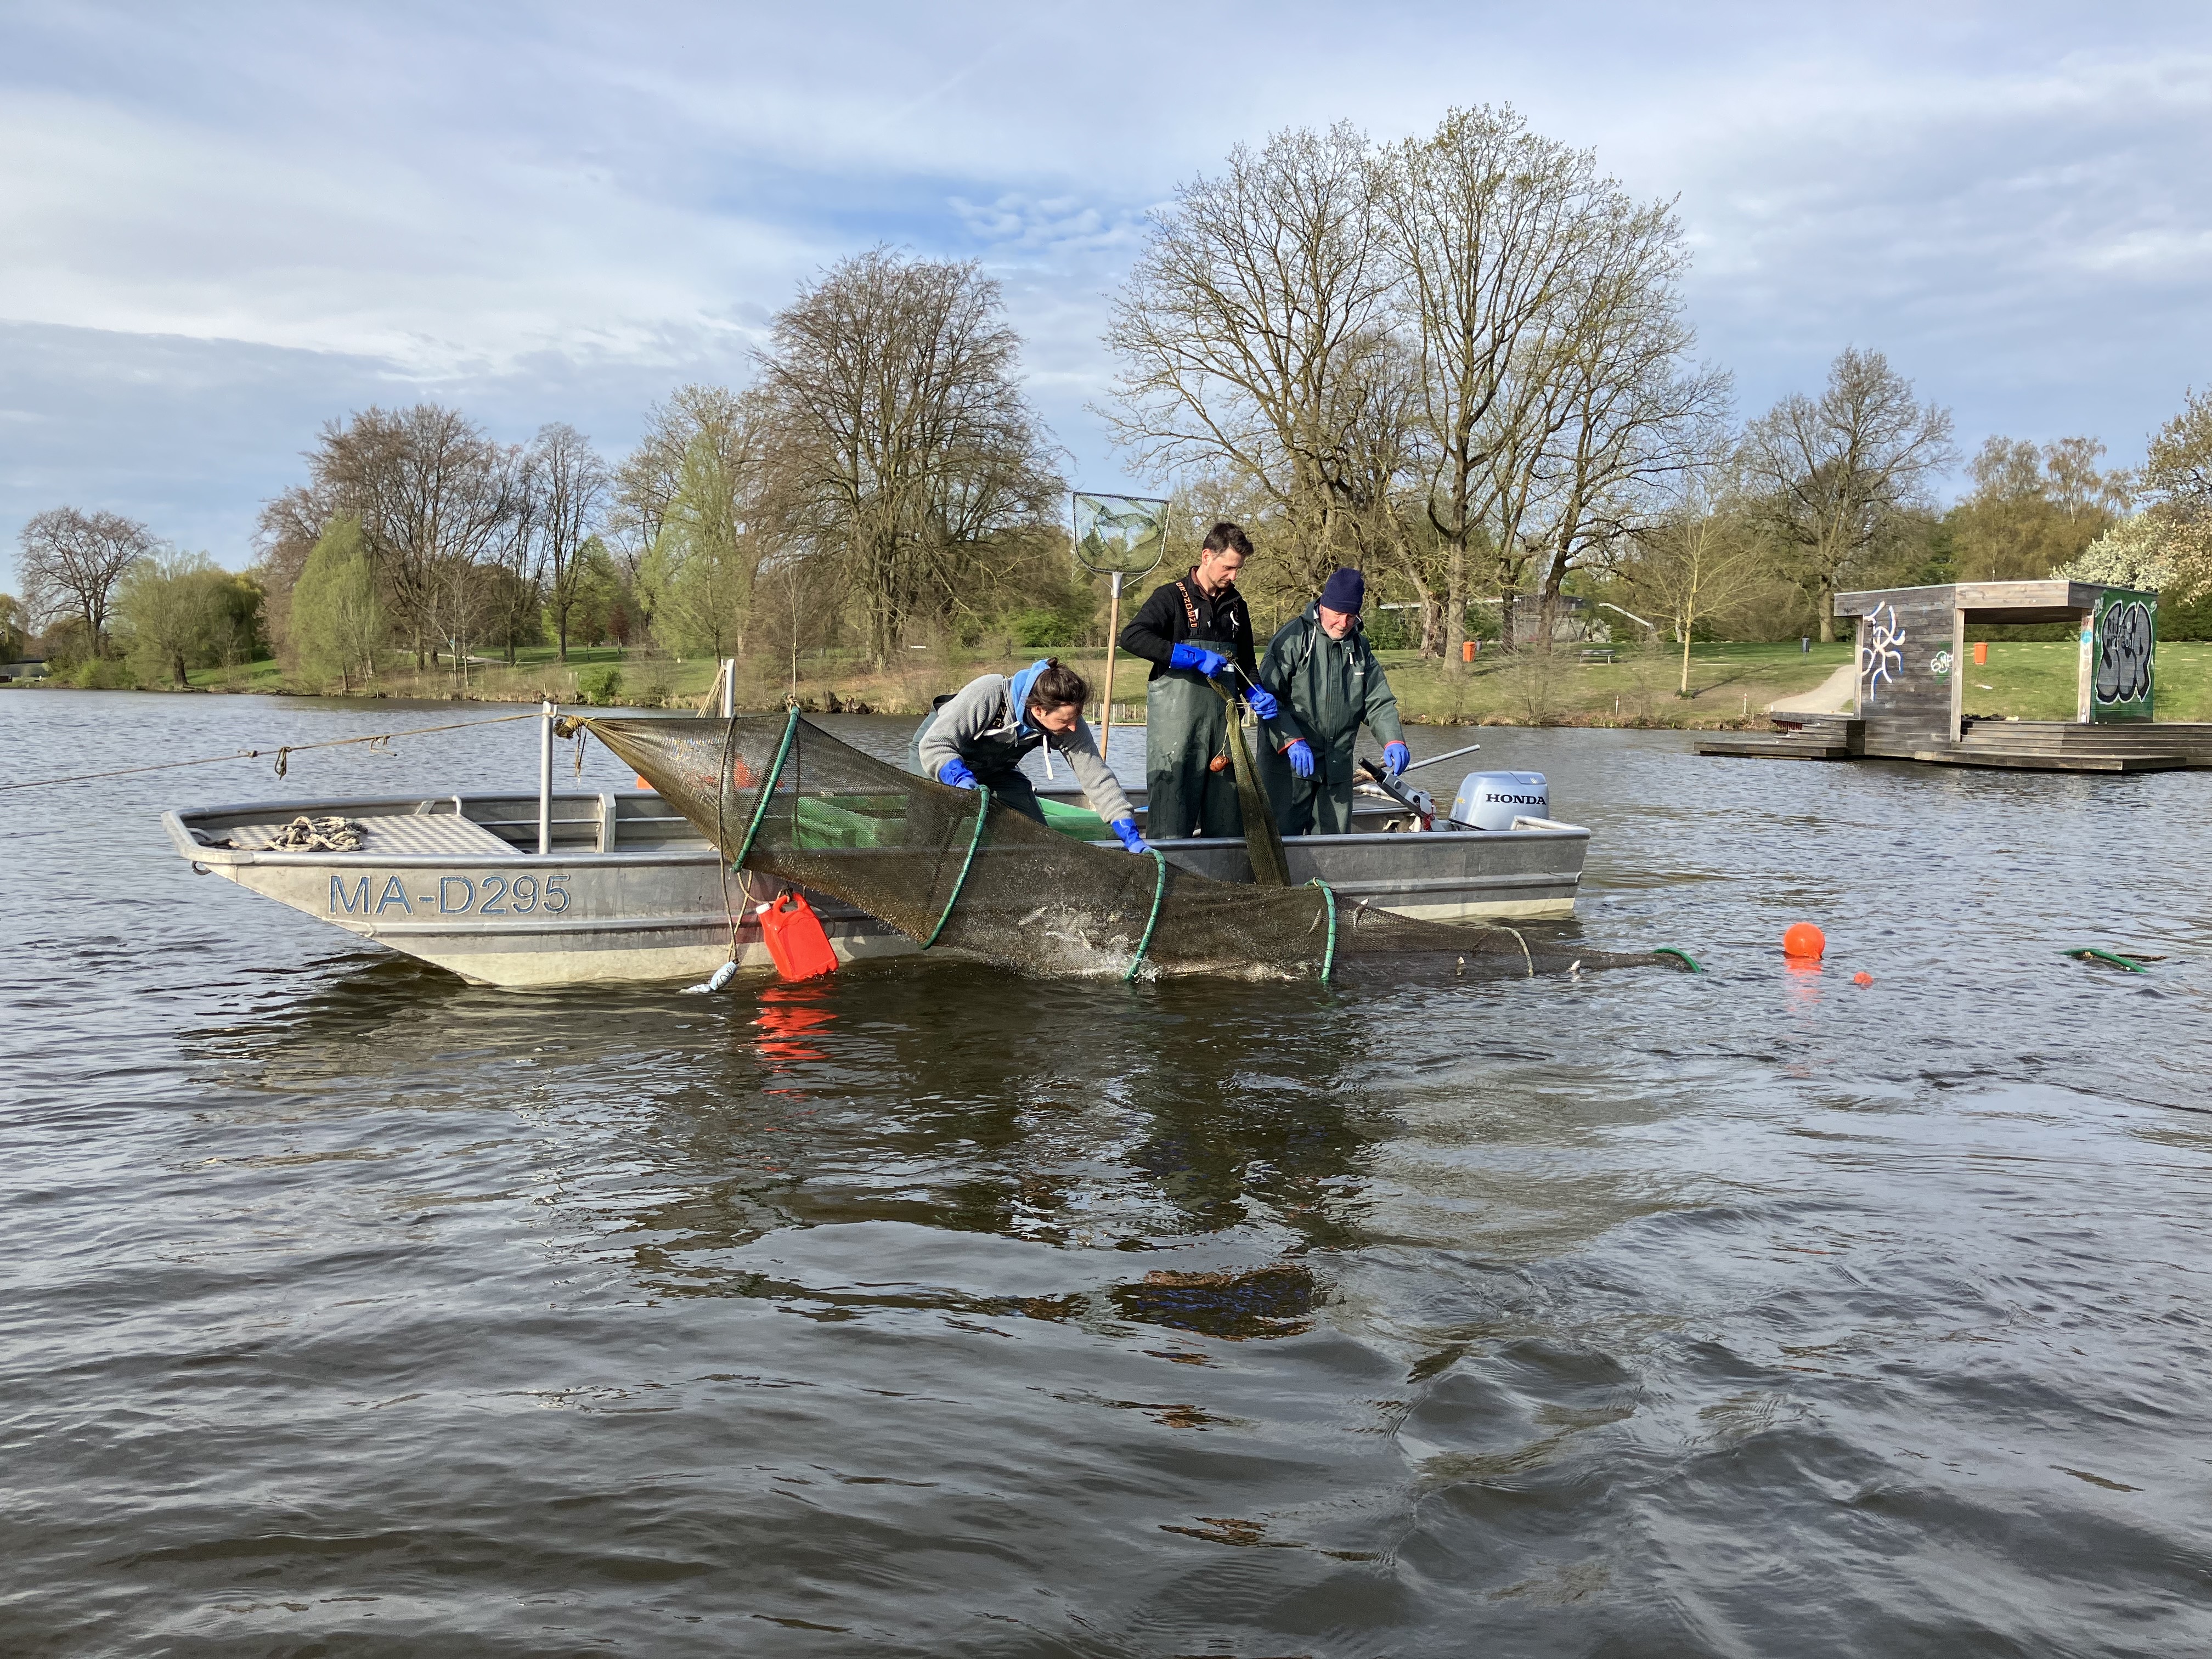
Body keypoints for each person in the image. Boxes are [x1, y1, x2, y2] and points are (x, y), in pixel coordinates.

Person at [1117, 521, 1283, 839]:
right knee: (1171, 820)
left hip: (1223, 732)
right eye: (1228, 568)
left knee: (1226, 820)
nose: (1233, 576)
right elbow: (1133, 637)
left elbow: (1246, 663)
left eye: (1238, 570)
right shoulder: (1169, 597)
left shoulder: (1237, 606)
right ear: (1207, 556)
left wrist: (1258, 691)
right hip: (1177, 734)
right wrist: (1192, 658)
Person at [907, 657, 1150, 853]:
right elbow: (936, 744)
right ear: (1038, 710)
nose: (1073, 726)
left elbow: (1096, 777)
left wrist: (1129, 831)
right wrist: (958, 777)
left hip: (996, 770)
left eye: (1076, 718)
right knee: (931, 833)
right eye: (1065, 720)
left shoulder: (1069, 724)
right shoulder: (990, 693)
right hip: (936, 757)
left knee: (1035, 837)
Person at [1255, 567, 1408, 836]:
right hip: (1287, 770)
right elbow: (1268, 699)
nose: (1343, 623)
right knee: (1278, 846)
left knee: (1333, 850)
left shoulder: (1360, 648)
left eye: (1351, 617)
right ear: (1323, 605)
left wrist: (1393, 739)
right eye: (1338, 614)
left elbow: (1378, 701)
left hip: (1336, 770)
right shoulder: (1292, 640)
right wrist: (1290, 740)